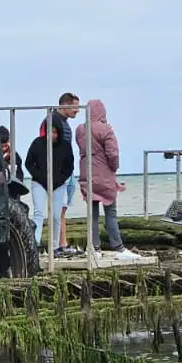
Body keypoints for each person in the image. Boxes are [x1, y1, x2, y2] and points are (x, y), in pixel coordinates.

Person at [75, 99, 125, 253]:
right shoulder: (106, 130)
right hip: (105, 177)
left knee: (93, 214)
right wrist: (113, 168)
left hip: (87, 176)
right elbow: (113, 154)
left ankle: (94, 246)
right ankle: (117, 245)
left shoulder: (80, 130)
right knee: (110, 212)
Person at [39, 92, 79, 255]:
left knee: (62, 208)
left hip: (67, 171)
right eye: (74, 108)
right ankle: (54, 245)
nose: (77, 112)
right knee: (56, 208)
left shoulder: (65, 123)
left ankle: (62, 243)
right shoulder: (52, 120)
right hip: (58, 171)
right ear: (65, 105)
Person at [25, 122, 74, 253]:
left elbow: (69, 167)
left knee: (56, 215)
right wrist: (40, 177)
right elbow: (29, 163)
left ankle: (55, 246)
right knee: (39, 213)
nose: (52, 135)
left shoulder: (65, 146)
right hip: (39, 182)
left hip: (58, 184)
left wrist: (59, 179)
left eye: (54, 132)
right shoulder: (37, 143)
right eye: (49, 132)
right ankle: (35, 243)